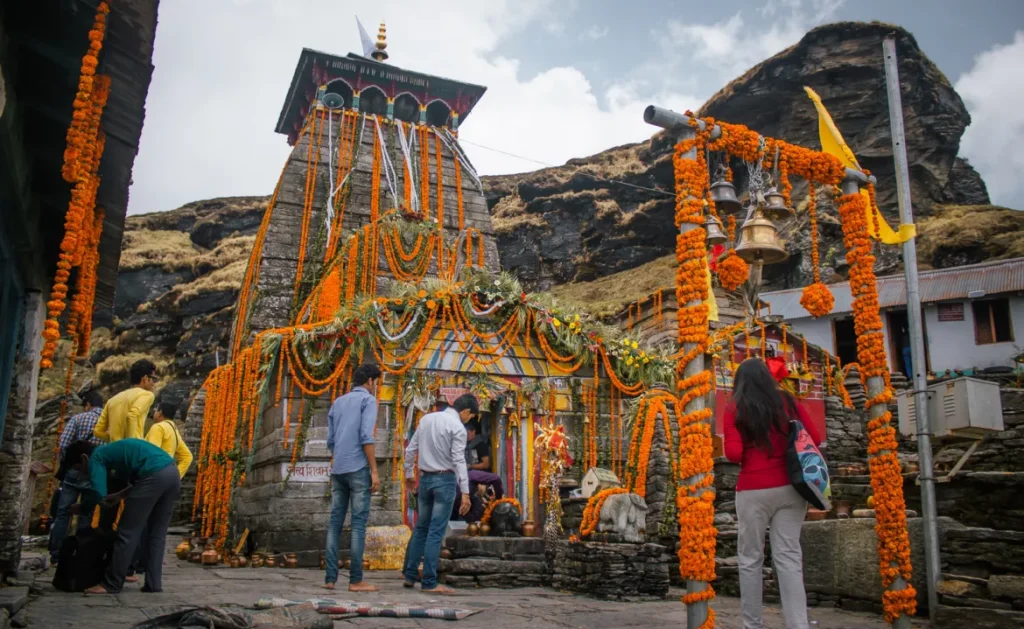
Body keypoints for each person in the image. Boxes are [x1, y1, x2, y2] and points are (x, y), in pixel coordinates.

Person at [724, 359, 823, 629]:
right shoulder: (787, 402)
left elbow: (733, 454)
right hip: (792, 488)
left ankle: (752, 624)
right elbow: (814, 436)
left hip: (753, 491)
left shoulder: (735, 407)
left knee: (750, 559)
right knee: (789, 556)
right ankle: (798, 624)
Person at [63, 438, 180, 594]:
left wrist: (83, 507)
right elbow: (141, 478)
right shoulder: (113, 450)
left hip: (153, 476)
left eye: (80, 468)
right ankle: (153, 584)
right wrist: (119, 496)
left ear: (84, 458)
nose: (83, 473)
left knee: (127, 533)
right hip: (172, 474)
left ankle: (111, 584)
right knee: (157, 535)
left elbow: (98, 493)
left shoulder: (96, 456)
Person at [401, 393, 477, 593]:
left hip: (424, 479)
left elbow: (410, 450)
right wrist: (466, 493)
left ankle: (410, 576)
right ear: (466, 411)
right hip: (445, 480)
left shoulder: (427, 418)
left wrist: (409, 474)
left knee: (421, 528)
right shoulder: (458, 428)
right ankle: (429, 582)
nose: (469, 421)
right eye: (471, 417)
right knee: (435, 532)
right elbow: (459, 460)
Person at [323, 364, 381, 593]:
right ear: (369, 381)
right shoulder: (368, 401)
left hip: (338, 468)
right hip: (357, 468)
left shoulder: (338, 402)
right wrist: (374, 471)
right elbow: (366, 436)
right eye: (376, 382)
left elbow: (331, 440)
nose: (376, 387)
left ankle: (330, 578)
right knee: (358, 525)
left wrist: (338, 458)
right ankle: (356, 580)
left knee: (335, 523)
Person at [48, 390, 105, 564]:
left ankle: (57, 554)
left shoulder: (78, 419)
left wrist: (68, 463)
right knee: (86, 514)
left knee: (63, 512)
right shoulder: (108, 423)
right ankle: (80, 553)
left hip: (74, 471)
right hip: (95, 473)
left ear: (88, 405)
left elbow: (64, 444)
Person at [93, 358, 157, 442]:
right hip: (133, 450)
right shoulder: (147, 395)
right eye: (153, 378)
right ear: (145, 378)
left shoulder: (112, 400)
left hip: (115, 450)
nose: (154, 383)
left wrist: (114, 440)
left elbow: (97, 431)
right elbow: (132, 415)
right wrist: (130, 443)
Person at [145, 402, 193, 479]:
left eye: (156, 410)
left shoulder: (158, 427)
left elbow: (152, 454)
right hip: (166, 475)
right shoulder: (174, 430)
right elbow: (187, 457)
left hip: (153, 476)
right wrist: (175, 478)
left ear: (160, 412)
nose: (154, 413)